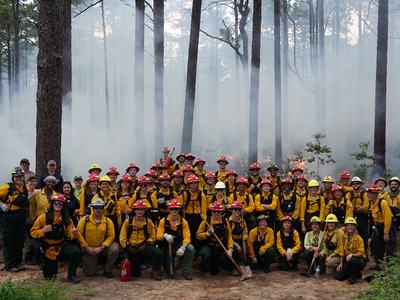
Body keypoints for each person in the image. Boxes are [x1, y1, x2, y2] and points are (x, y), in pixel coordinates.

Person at [30, 194, 81, 283]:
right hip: (48, 248)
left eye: (60, 204)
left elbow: (70, 235)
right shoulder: (43, 217)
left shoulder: (67, 219)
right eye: (56, 203)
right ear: (52, 204)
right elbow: (33, 232)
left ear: (63, 206)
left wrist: (74, 234)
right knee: (50, 277)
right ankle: (46, 265)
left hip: (61, 245)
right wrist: (43, 231)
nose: (58, 205)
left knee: (75, 251)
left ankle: (72, 275)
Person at [119, 200, 163, 280]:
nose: (140, 211)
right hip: (131, 248)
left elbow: (153, 236)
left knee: (158, 253)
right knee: (135, 274)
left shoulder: (148, 222)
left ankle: (155, 271)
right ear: (134, 210)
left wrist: (147, 243)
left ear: (144, 210)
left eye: (142, 209)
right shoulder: (128, 222)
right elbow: (122, 238)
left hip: (144, 246)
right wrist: (128, 246)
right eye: (138, 209)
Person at [77, 198, 120, 278]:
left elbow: (111, 236)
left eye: (100, 208)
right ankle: (90, 263)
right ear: (92, 209)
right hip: (89, 249)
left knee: (115, 248)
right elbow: (78, 234)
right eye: (95, 208)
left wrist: (101, 247)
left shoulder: (108, 221)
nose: (98, 210)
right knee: (90, 273)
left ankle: (107, 269)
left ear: (103, 209)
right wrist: (86, 247)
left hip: (102, 247)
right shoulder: (84, 220)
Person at [156, 199, 194, 280]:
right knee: (169, 270)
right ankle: (172, 264)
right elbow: (158, 236)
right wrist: (165, 236)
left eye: (176, 209)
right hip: (167, 246)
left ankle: (186, 272)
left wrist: (183, 248)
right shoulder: (163, 221)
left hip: (178, 244)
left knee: (190, 248)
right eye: (172, 209)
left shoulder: (183, 222)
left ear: (179, 209)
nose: (174, 211)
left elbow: (187, 237)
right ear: (169, 209)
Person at [0, 167, 29, 272]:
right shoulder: (7, 187)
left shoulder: (23, 188)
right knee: (9, 241)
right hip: (9, 217)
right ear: (13, 177)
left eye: (21, 176)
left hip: (20, 216)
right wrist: (2, 204)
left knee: (19, 240)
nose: (19, 178)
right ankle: (10, 264)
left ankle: (18, 262)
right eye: (17, 176)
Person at [196, 201, 234, 275]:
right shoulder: (206, 221)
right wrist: (207, 233)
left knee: (215, 271)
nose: (216, 214)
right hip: (209, 245)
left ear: (221, 213)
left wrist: (230, 249)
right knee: (206, 255)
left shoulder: (225, 222)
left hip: (220, 246)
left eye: (218, 212)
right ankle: (204, 268)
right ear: (211, 212)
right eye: (214, 212)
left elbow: (229, 236)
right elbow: (198, 235)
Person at [368, 183, 396, 269]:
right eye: (368, 192)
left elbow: (388, 219)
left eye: (371, 193)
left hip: (388, 226)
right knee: (376, 245)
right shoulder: (372, 203)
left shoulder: (382, 203)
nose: (369, 194)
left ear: (376, 194)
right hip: (378, 226)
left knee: (389, 246)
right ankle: (379, 264)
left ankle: (390, 267)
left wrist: (386, 233)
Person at [333, 217, 366, 284]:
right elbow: (342, 251)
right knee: (337, 276)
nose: (349, 227)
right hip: (348, 259)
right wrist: (341, 263)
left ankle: (352, 278)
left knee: (352, 259)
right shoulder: (344, 237)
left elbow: (361, 253)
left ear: (355, 227)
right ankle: (356, 273)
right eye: (348, 225)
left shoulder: (359, 239)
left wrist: (352, 254)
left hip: (358, 260)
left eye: (351, 225)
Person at [182, 175, 207, 249]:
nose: (194, 185)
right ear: (189, 184)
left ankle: (198, 251)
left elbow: (203, 208)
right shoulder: (185, 194)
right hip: (188, 217)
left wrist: (204, 219)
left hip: (198, 217)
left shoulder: (201, 194)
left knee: (198, 235)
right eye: (192, 183)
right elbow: (182, 205)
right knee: (189, 234)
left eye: (195, 183)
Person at [345, 176, 369, 250]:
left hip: (362, 217)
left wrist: (360, 208)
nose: (355, 185)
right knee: (351, 234)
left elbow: (366, 206)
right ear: (351, 185)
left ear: (360, 184)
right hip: (352, 216)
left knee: (363, 235)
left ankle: (364, 253)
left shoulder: (364, 194)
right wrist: (355, 207)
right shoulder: (349, 194)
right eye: (354, 183)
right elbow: (346, 202)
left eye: (357, 183)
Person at [228, 201, 249, 274]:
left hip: (241, 240)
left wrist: (245, 236)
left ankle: (244, 265)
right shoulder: (228, 221)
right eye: (235, 210)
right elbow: (228, 237)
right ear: (232, 210)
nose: (237, 212)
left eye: (239, 210)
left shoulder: (242, 221)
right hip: (231, 242)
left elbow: (246, 232)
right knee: (235, 251)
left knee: (247, 249)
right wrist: (236, 245)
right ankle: (234, 268)